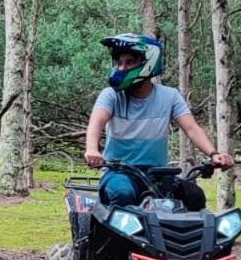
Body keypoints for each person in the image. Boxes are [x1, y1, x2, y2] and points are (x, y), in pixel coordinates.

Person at [84, 33, 233, 208]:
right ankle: (112, 236)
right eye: (120, 63)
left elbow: (192, 128)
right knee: (122, 194)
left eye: (129, 62)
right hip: (119, 173)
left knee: (194, 195)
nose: (122, 68)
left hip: (157, 174)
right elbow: (97, 121)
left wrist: (214, 155)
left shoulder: (170, 96)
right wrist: (92, 150)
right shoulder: (111, 95)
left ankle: (190, 236)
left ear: (148, 63)